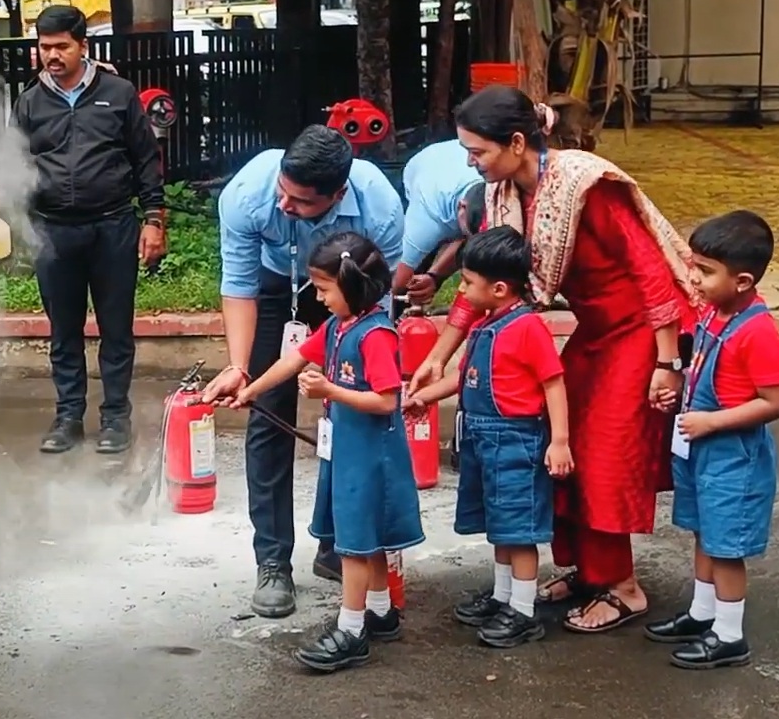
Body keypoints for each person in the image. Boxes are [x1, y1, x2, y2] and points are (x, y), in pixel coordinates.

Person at [407, 84, 701, 634]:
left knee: (602, 453)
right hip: (597, 328)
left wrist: (668, 363)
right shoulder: (502, 197)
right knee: (561, 447)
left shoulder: (586, 183)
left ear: (517, 143)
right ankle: (587, 570)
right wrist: (439, 357)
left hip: (641, 329)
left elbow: (650, 272)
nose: (471, 162)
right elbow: (484, 288)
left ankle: (623, 588)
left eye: (478, 151)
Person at [198, 125, 405, 619]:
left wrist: (368, 366)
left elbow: (381, 299)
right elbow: (240, 284)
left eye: (302, 202)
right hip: (274, 291)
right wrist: (238, 367)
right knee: (267, 415)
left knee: (350, 418)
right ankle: (273, 561)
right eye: (283, 194)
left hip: (347, 295)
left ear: (337, 195)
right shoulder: (248, 195)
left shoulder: (379, 205)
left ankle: (338, 545)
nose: (286, 206)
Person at [0, 5, 167, 455]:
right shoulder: (29, 101)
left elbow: (146, 160)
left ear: (84, 45)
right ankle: (68, 417)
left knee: (116, 329)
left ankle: (116, 418)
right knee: (64, 331)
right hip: (54, 232)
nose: (52, 56)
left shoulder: (118, 94)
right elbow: (13, 164)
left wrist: (154, 219)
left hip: (113, 226)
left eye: (62, 46)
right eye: (45, 48)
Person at [232, 231, 423, 671]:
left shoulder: (376, 335)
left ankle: (352, 630)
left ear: (354, 286)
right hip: (347, 453)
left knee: (354, 545)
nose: (318, 297)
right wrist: (250, 390)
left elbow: (385, 400)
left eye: (323, 289)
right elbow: (293, 359)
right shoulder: (338, 326)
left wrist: (330, 388)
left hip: (370, 456)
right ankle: (379, 610)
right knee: (362, 536)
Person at [405, 225, 572, 648]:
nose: (461, 290)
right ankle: (503, 596)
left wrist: (559, 441)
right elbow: (466, 376)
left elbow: (553, 382)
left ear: (498, 288)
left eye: (467, 283)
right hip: (483, 439)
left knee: (519, 529)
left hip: (516, 439)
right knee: (500, 525)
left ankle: (523, 609)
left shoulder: (527, 327)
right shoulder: (486, 323)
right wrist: (426, 395)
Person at [644, 210, 779, 669]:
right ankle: (702, 613)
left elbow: (777, 400)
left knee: (726, 546)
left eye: (706, 271)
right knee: (705, 533)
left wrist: (713, 422)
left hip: (732, 457)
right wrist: (679, 390)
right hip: (700, 449)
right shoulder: (714, 313)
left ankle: (729, 635)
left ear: (743, 280)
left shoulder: (758, 331)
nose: (695, 279)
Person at [391, 140, 487, 306]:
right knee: (406, 284)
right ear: (461, 207)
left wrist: (434, 277)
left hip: (456, 157)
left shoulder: (503, 188)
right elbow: (396, 282)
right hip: (422, 167)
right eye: (468, 235)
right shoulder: (427, 215)